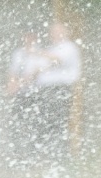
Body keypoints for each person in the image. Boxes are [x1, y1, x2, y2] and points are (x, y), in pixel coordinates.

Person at [33, 22, 81, 159]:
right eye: (52, 32)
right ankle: (45, 153)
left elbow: (58, 60)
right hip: (45, 89)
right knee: (43, 121)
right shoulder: (52, 48)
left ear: (65, 32)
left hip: (59, 89)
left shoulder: (68, 47)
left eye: (56, 31)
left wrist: (37, 52)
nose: (53, 34)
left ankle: (59, 154)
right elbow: (41, 67)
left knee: (56, 120)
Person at [7, 31, 50, 158]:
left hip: (35, 93)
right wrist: (11, 85)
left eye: (31, 37)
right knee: (16, 122)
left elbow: (36, 72)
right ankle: (17, 152)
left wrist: (20, 83)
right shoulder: (18, 53)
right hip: (20, 93)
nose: (28, 39)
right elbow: (12, 72)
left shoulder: (40, 53)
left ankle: (34, 153)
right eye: (26, 36)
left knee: (35, 123)